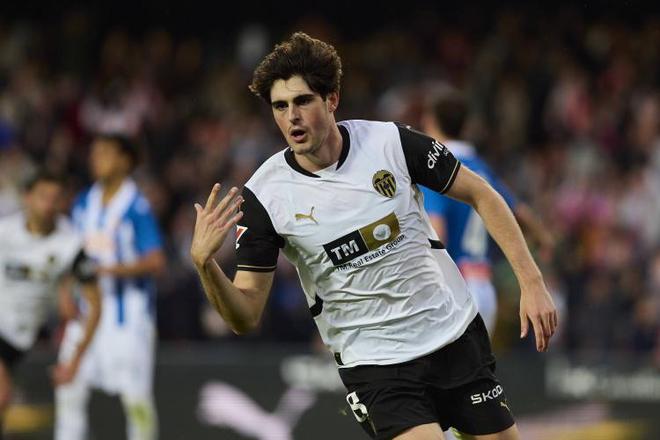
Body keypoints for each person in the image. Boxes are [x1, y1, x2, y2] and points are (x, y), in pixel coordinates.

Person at [190, 32, 557, 440]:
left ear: (331, 99)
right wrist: (206, 266)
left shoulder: (390, 143)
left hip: (451, 333)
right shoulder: (264, 197)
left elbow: (482, 194)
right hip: (375, 365)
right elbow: (245, 316)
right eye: (280, 106)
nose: (291, 117)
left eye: (303, 101)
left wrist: (532, 282)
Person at [55, 134, 165, 440]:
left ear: (125, 161)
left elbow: (156, 261)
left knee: (136, 400)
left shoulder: (136, 206)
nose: (96, 159)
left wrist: (108, 269)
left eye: (105, 153)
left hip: (127, 318)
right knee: (68, 389)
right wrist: (64, 291)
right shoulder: (83, 203)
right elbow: (69, 253)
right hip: (85, 313)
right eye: (94, 153)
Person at [419, 87, 555, 335]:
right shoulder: (480, 168)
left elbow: (437, 231)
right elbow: (517, 211)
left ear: (429, 121)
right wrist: (543, 239)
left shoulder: (435, 168)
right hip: (483, 287)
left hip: (453, 288)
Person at [0, 171, 101, 439]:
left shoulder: (71, 244)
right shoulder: (4, 232)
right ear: (27, 197)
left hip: (20, 339)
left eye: (55, 198)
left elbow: (95, 304)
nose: (48, 204)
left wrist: (76, 359)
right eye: (43, 196)